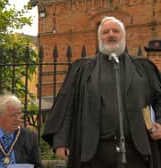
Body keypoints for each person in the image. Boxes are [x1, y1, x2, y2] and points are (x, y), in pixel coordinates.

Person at [42, 16, 161, 168]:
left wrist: (159, 122)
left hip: (137, 151)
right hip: (94, 153)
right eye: (105, 32)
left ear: (124, 36)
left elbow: (159, 99)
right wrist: (61, 141)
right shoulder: (82, 69)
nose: (111, 34)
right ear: (99, 38)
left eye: (116, 31)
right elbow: (67, 106)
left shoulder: (144, 68)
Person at [0, 94, 42, 168]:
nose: (17, 119)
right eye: (12, 115)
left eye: (19, 114)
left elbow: (38, 166)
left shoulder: (30, 137)